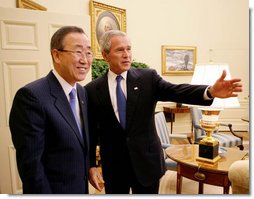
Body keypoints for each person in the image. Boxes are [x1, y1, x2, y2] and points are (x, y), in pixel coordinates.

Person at [85, 30, 242, 194]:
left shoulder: (147, 78)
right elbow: (90, 132)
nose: (127, 55)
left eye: (129, 49)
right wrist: (92, 165)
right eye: (120, 50)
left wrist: (210, 92)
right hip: (114, 168)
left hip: (147, 164)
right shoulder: (92, 90)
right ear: (105, 55)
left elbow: (176, 90)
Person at [9, 26, 93, 194]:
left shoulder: (81, 92)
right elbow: (32, 168)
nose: (85, 60)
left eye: (88, 53)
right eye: (78, 52)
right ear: (57, 55)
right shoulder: (32, 96)